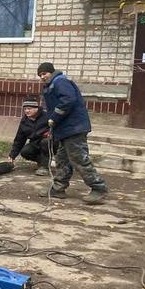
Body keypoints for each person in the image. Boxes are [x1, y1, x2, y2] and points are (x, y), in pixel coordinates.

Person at [37, 62, 108, 204]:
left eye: (44, 73)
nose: (42, 77)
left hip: (74, 128)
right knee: (62, 159)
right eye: (40, 75)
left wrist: (54, 118)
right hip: (66, 129)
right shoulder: (54, 84)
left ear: (51, 72)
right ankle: (58, 188)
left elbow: (68, 100)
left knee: (79, 159)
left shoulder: (60, 81)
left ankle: (98, 189)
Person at [8, 96, 51, 176]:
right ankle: (44, 162)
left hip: (51, 143)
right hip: (35, 143)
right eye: (25, 109)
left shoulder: (47, 116)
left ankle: (44, 168)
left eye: (29, 108)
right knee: (25, 151)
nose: (27, 111)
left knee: (45, 142)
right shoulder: (24, 121)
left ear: (36, 108)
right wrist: (12, 155)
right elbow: (19, 139)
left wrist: (51, 133)